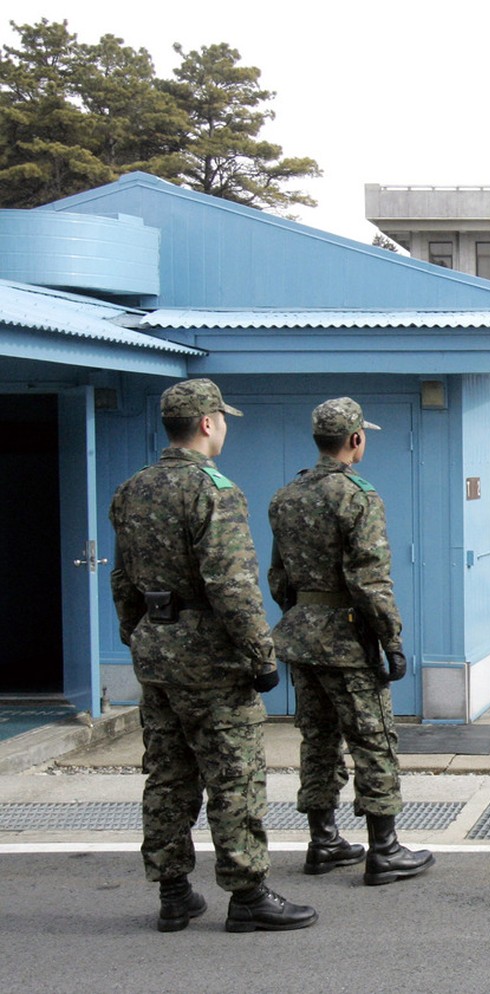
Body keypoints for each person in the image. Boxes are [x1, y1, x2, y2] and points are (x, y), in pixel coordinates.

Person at [109, 378, 317, 933]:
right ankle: (247, 894)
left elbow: (123, 578)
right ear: (206, 423)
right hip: (212, 661)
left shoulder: (132, 489)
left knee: (169, 773)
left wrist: (140, 634)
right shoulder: (214, 490)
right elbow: (232, 583)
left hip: (156, 653)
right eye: (221, 418)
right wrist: (261, 654)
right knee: (235, 774)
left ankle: (174, 893)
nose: (223, 426)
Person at [267, 398, 433, 886]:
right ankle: (384, 850)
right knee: (372, 738)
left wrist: (302, 617)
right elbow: (370, 580)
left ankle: (323, 842)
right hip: (347, 639)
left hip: (301, 635)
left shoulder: (285, 496)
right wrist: (392, 639)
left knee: (316, 739)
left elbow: (278, 578)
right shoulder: (357, 496)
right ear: (355, 439)